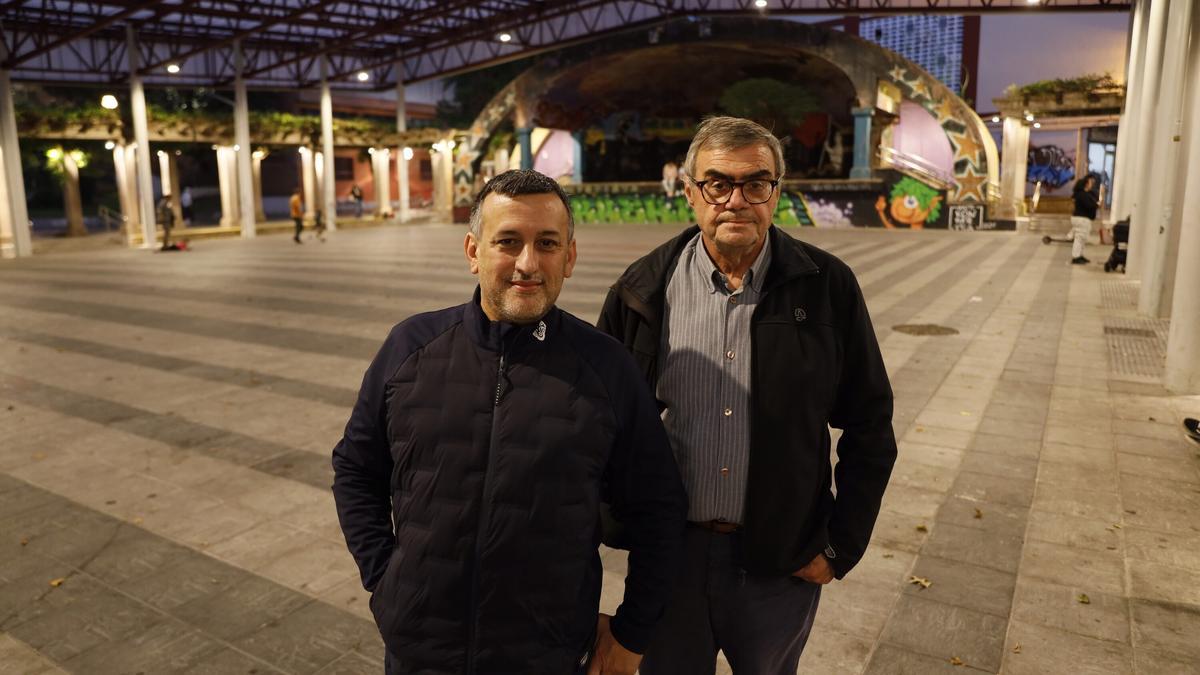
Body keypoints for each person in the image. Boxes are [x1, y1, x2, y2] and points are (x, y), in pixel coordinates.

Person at [332, 169, 687, 675]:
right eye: (508, 242)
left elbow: (659, 509)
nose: (527, 263)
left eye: (546, 243)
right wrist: (386, 579)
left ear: (570, 255)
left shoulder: (607, 369)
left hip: (548, 654)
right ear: (473, 251)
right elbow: (355, 469)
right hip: (421, 651)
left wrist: (632, 634)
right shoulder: (411, 348)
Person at [597, 116, 898, 674]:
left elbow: (870, 424)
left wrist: (840, 545)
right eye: (718, 183)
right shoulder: (641, 289)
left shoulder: (827, 286)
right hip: (671, 559)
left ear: (776, 194)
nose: (736, 200)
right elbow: (598, 429)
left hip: (780, 564)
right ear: (690, 193)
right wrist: (613, 525)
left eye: (755, 183)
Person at [1070, 174, 1100, 264]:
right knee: (1079, 238)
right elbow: (1089, 205)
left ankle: (1079, 255)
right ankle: (1076, 256)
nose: (1092, 184)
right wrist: (1096, 205)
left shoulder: (1083, 194)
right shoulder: (1082, 195)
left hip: (1082, 219)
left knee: (1082, 238)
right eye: (1090, 182)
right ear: (1086, 184)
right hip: (1081, 219)